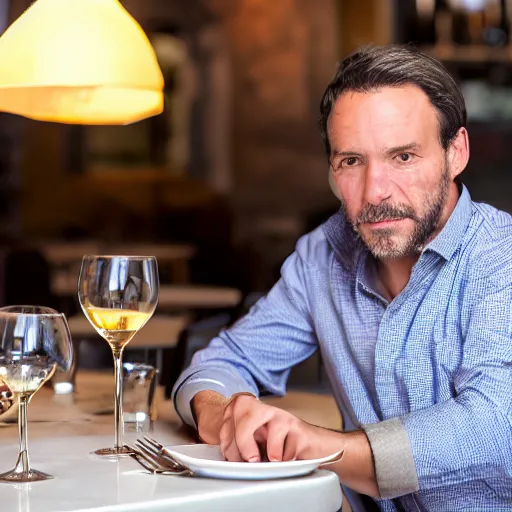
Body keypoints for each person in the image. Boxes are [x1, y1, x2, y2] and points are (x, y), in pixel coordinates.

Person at [172, 44, 512, 511]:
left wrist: (316, 445)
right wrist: (224, 413)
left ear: (456, 152)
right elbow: (224, 360)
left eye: (403, 157)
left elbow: (494, 425)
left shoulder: (501, 258)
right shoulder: (322, 256)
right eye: (351, 161)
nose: (375, 192)